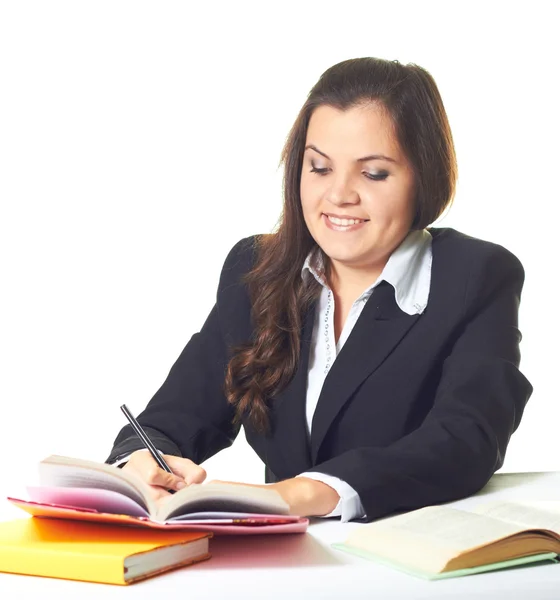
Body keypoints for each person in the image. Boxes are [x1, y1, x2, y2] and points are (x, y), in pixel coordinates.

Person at [106, 57, 533, 523]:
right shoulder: (256, 269)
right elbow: (172, 419)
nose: (339, 195)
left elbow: (467, 439)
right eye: (319, 168)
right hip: (283, 564)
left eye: (373, 174)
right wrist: (142, 464)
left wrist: (304, 494)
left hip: (412, 565)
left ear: (423, 177)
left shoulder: (474, 275)